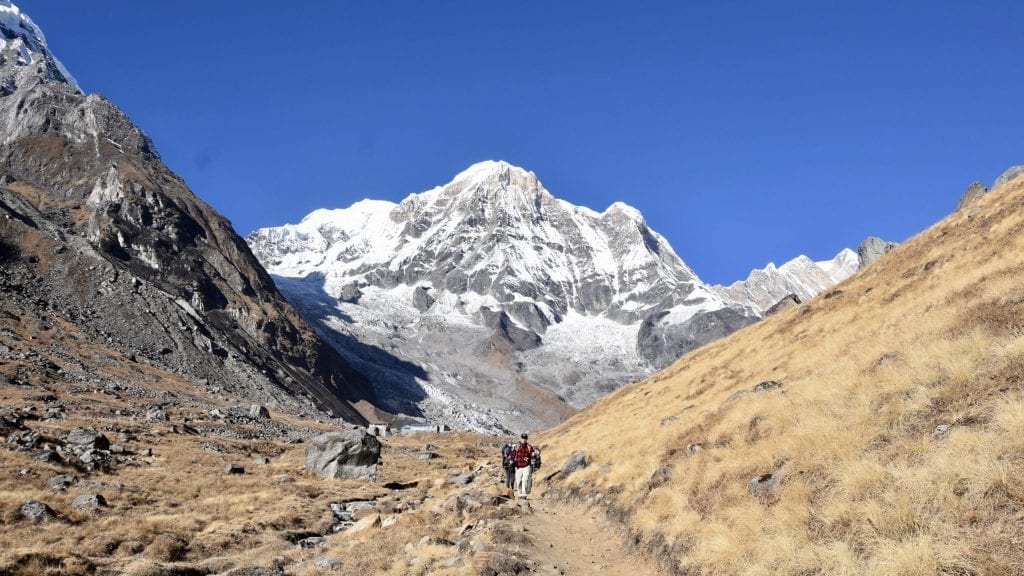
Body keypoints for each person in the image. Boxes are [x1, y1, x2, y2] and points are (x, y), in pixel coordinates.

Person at [510, 433, 536, 499]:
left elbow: (533, 454)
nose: (524, 440)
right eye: (522, 438)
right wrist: (511, 460)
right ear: (520, 439)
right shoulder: (517, 446)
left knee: (525, 480)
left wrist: (533, 456)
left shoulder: (529, 447)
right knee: (518, 481)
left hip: (526, 466)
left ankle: (524, 494)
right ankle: (519, 493)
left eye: (525, 438)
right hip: (518, 467)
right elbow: (513, 454)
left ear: (527, 439)